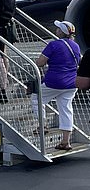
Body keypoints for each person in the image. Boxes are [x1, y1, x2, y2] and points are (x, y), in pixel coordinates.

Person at [32, 20, 80, 150]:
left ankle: (42, 125)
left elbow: (40, 62)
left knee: (37, 98)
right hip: (71, 82)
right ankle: (66, 141)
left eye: (58, 28)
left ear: (61, 32)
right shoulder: (75, 46)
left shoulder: (53, 45)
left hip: (54, 81)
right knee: (66, 109)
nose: (56, 29)